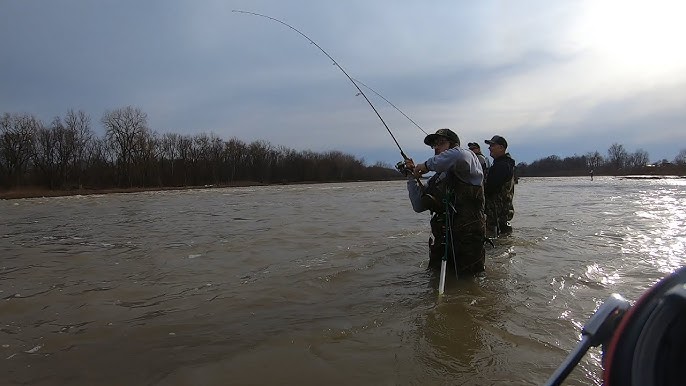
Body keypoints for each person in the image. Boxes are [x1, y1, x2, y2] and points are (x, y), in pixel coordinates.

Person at [402, 128, 486, 274]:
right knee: (434, 282)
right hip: (442, 241)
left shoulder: (470, 161)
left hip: (468, 241)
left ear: (454, 145)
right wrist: (411, 177)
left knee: (469, 284)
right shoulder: (437, 178)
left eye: (441, 143)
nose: (436, 148)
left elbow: (459, 155)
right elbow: (418, 205)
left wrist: (426, 165)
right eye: (434, 145)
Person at [483, 135, 515, 237]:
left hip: (498, 215)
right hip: (501, 215)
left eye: (492, 145)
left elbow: (490, 188)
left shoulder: (502, 165)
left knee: (494, 243)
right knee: (502, 242)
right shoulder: (502, 163)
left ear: (501, 148)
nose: (489, 148)